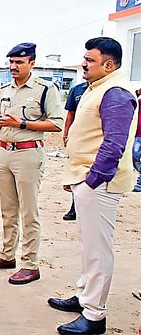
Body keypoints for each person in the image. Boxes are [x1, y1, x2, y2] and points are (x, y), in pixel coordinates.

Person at [49, 37, 138, 335]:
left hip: (100, 183)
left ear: (108, 64)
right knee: (89, 246)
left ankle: (95, 316)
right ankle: (85, 296)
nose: (83, 64)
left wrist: (91, 180)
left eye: (90, 60)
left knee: (98, 250)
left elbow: (114, 143)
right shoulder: (96, 88)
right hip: (86, 178)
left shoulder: (115, 93)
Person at [0, 42, 64, 285]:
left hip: (28, 154)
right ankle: (7, 255)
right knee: (7, 209)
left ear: (32, 64)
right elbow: (4, 119)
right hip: (3, 150)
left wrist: (23, 124)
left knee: (29, 211)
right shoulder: (5, 89)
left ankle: (30, 263)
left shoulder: (45, 89)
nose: (13, 66)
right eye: (11, 62)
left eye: (19, 62)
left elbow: (56, 123)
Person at [61, 81, 89, 220]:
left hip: (96, 138)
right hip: (78, 137)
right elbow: (70, 114)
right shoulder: (77, 90)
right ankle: (74, 208)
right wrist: (66, 134)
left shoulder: (107, 89)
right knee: (76, 171)